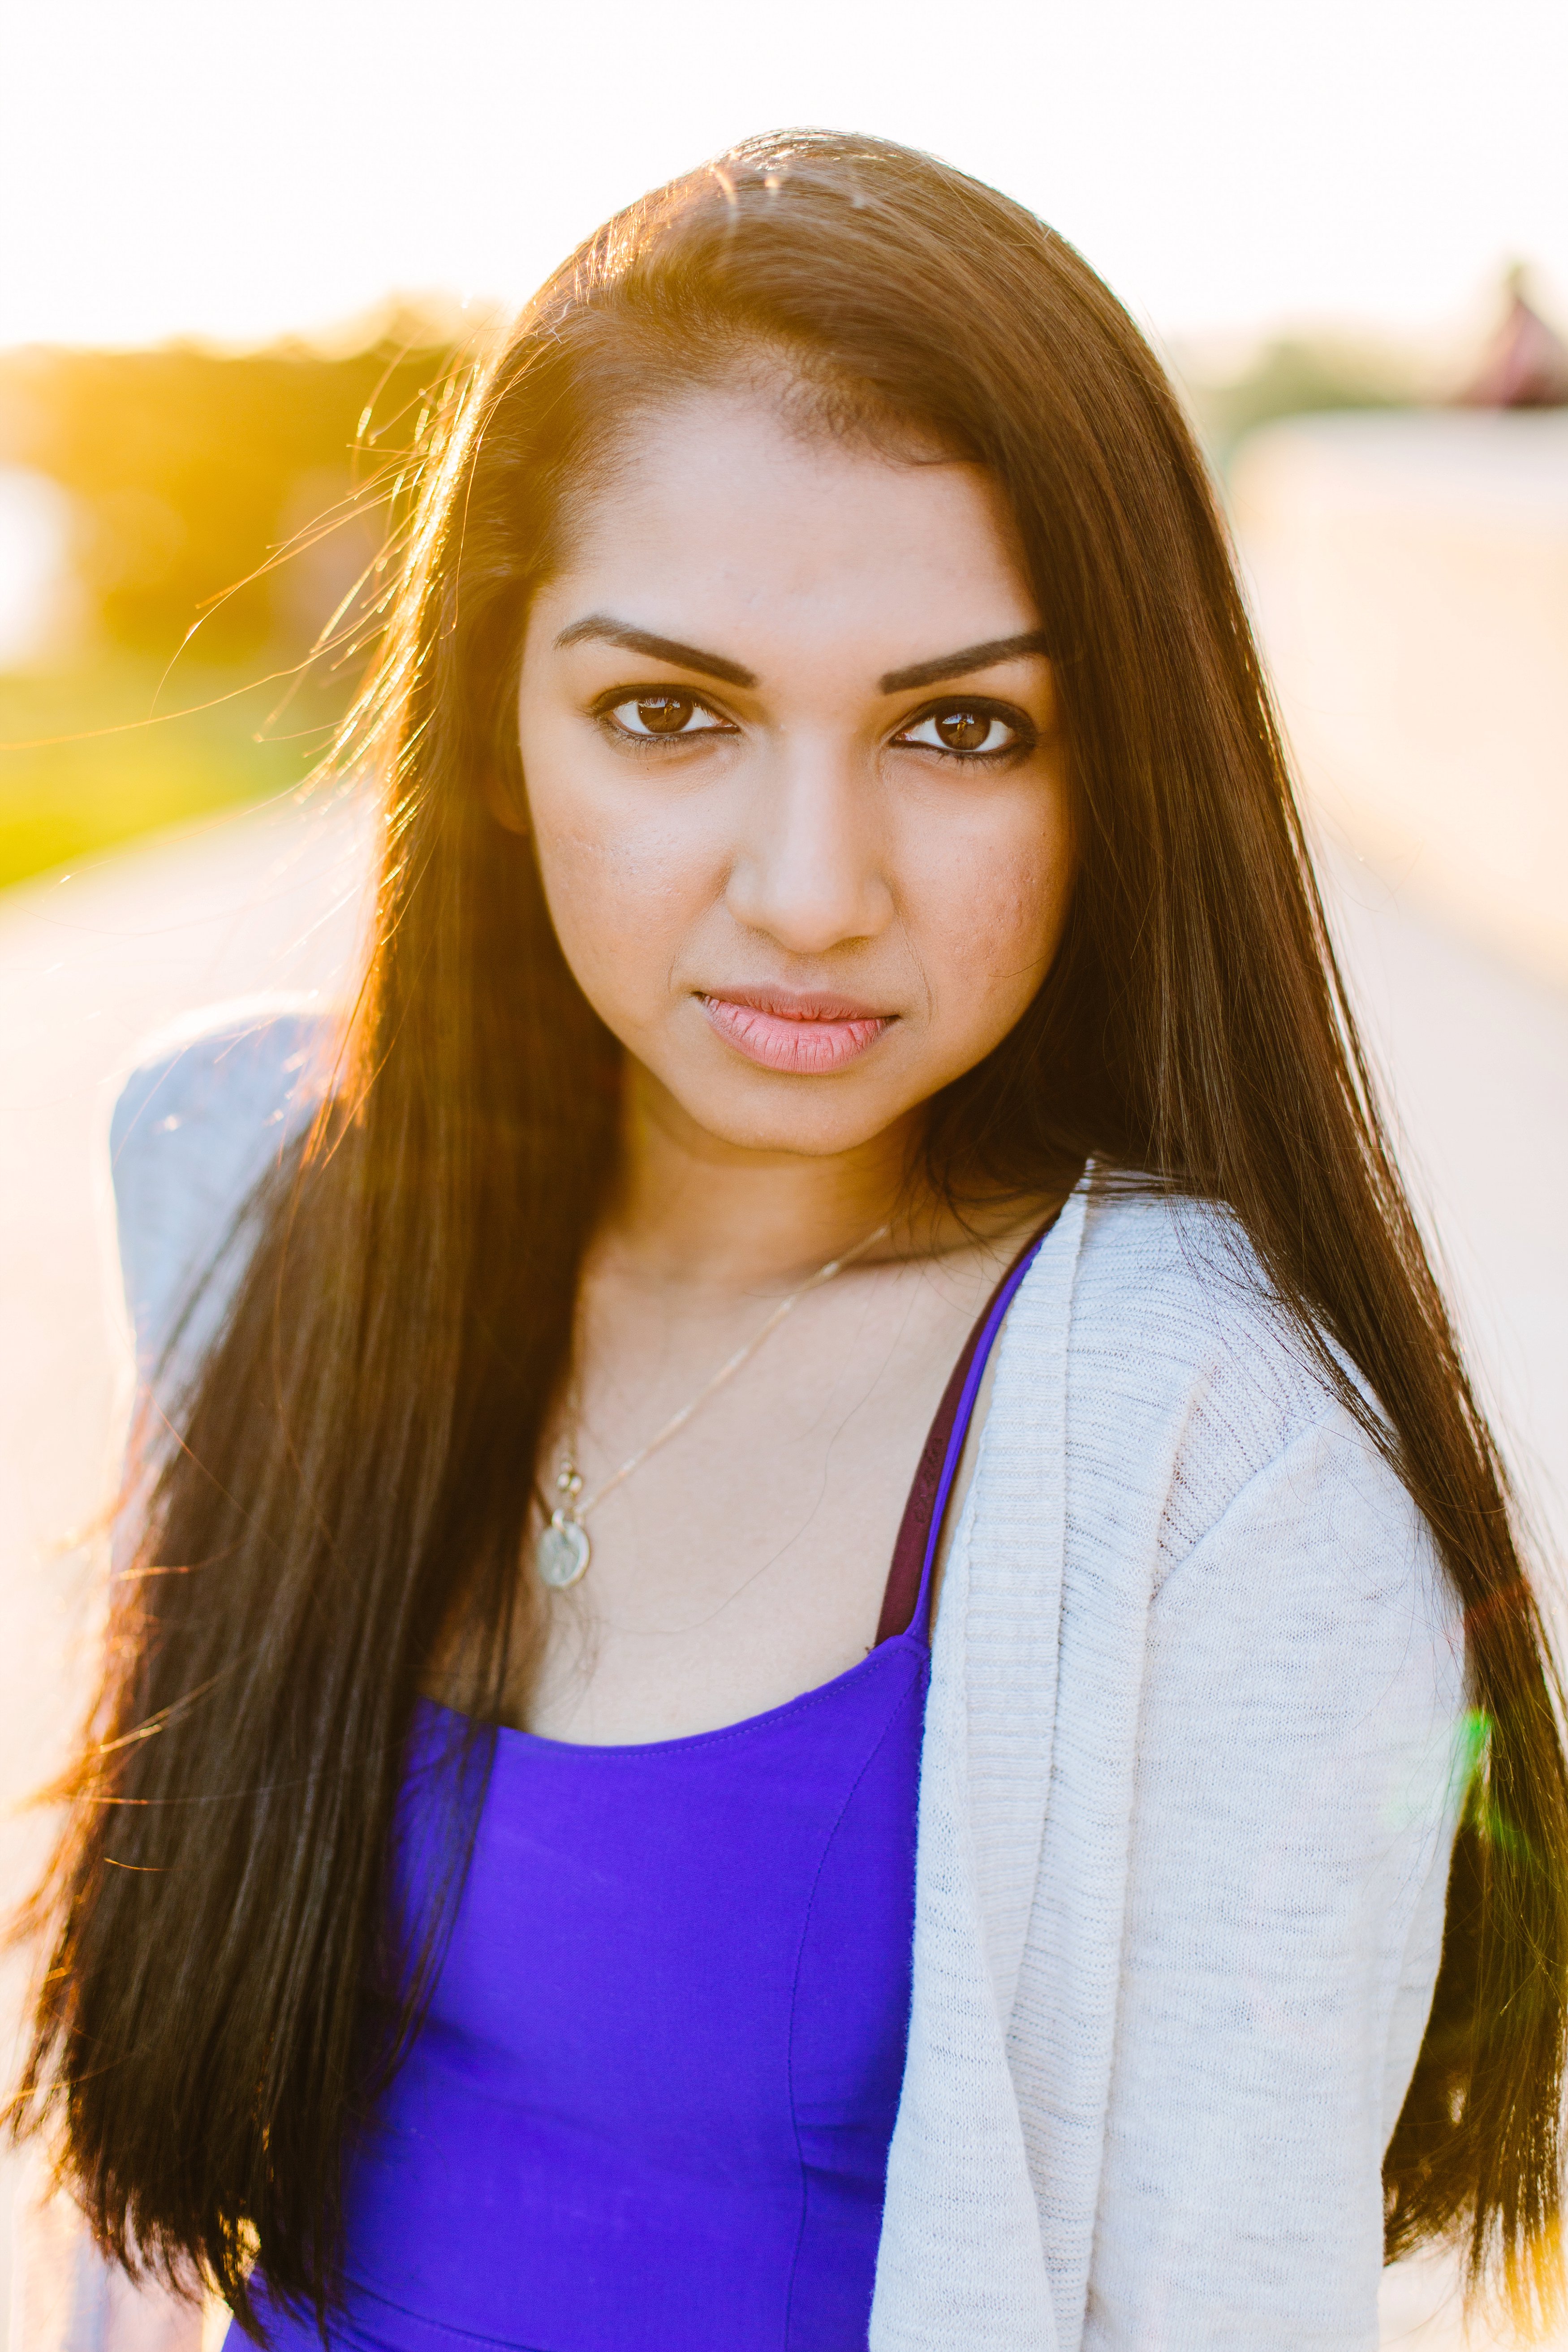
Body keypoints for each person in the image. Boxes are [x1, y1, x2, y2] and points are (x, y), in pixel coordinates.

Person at [11, 130, 1568, 2352]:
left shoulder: (1208, 1468)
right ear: (499, 732)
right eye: (673, 711)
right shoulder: (260, 1207)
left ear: (1111, 768)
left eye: (958, 727)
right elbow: (139, 2201)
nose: (812, 885)